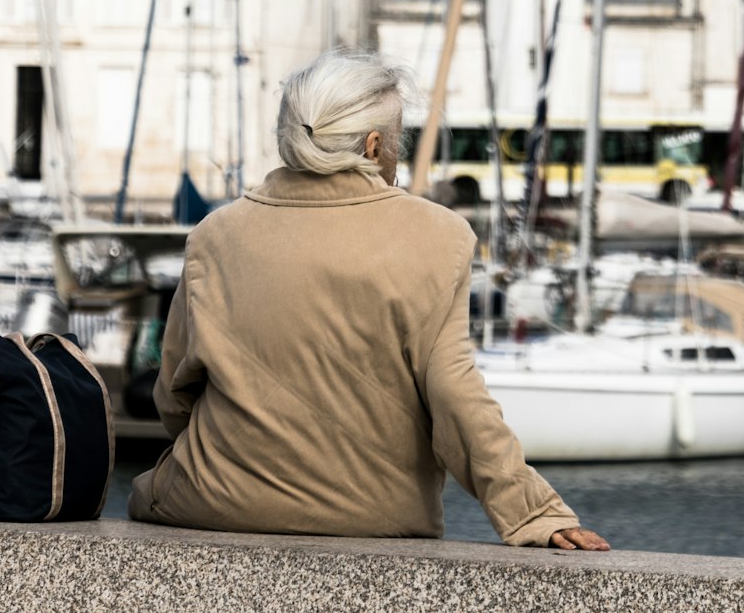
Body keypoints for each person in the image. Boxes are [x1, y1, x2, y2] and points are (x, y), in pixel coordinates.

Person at [129, 51, 608, 550]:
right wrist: (534, 514)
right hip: (377, 515)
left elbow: (174, 393)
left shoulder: (215, 234)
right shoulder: (438, 236)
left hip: (213, 504)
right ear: (375, 145)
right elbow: (456, 397)